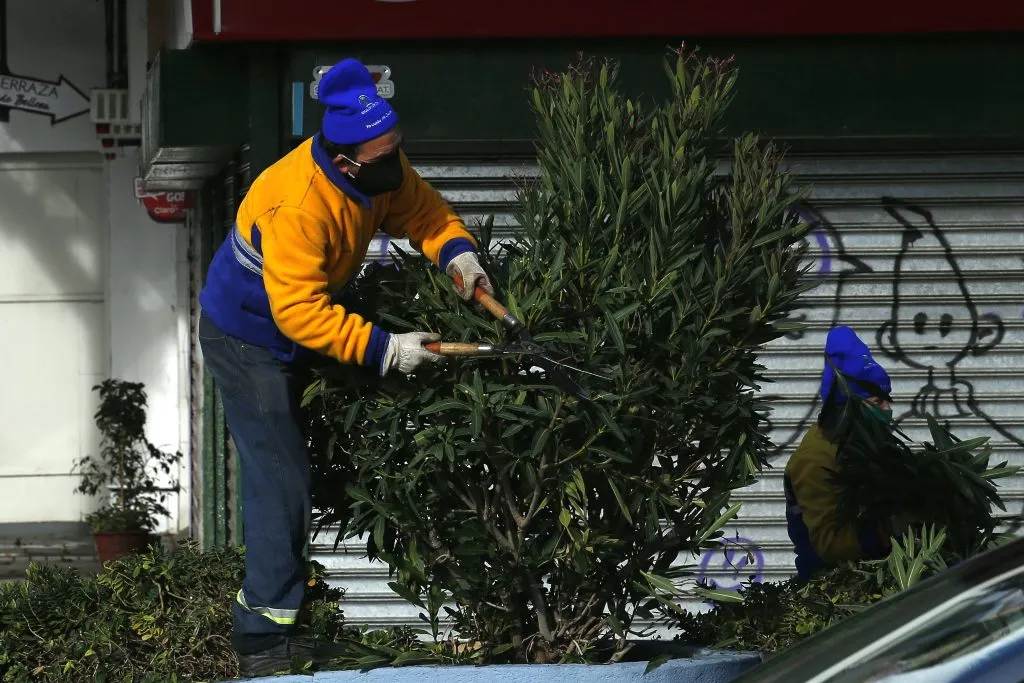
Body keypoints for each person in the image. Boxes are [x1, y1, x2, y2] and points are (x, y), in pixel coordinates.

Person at [196, 58, 494, 676]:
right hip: (248, 334)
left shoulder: (378, 167)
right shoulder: (297, 203)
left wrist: (461, 259)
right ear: (342, 158)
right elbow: (299, 313)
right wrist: (388, 349)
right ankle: (263, 641)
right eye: (382, 157)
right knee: (280, 477)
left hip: (307, 318)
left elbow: (427, 215)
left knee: (309, 468)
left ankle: (297, 611)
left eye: (397, 150)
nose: (394, 166)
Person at [784, 325, 901, 580]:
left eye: (887, 399)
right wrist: (891, 529)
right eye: (878, 402)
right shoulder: (815, 459)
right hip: (831, 586)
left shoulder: (865, 442)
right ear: (849, 409)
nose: (888, 408)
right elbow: (828, 545)